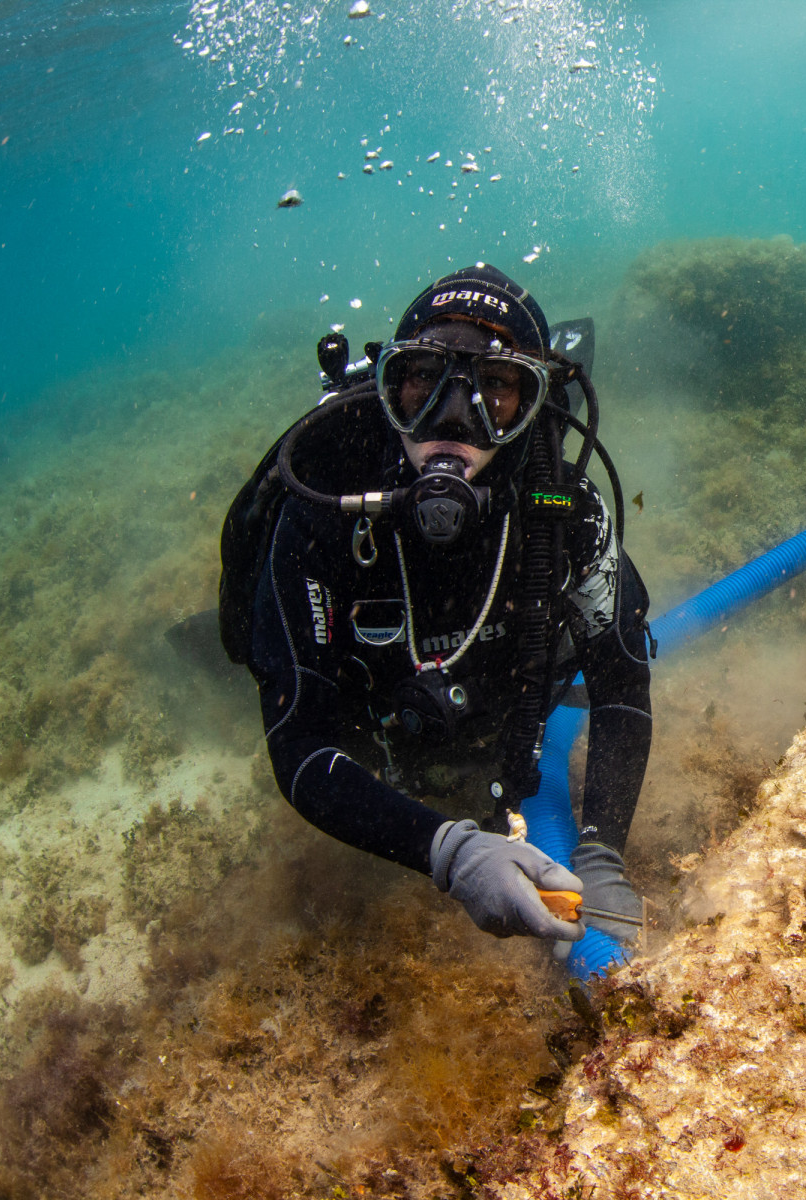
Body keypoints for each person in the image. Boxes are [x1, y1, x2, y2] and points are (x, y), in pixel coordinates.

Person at [240, 264, 652, 976]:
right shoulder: (321, 516)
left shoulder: (567, 514)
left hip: (504, 715)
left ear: (531, 406)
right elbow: (300, 742)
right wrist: (449, 851)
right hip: (376, 731)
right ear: (387, 389)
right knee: (251, 646)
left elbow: (620, 682)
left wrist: (602, 852)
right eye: (424, 380)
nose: (454, 419)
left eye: (496, 388)